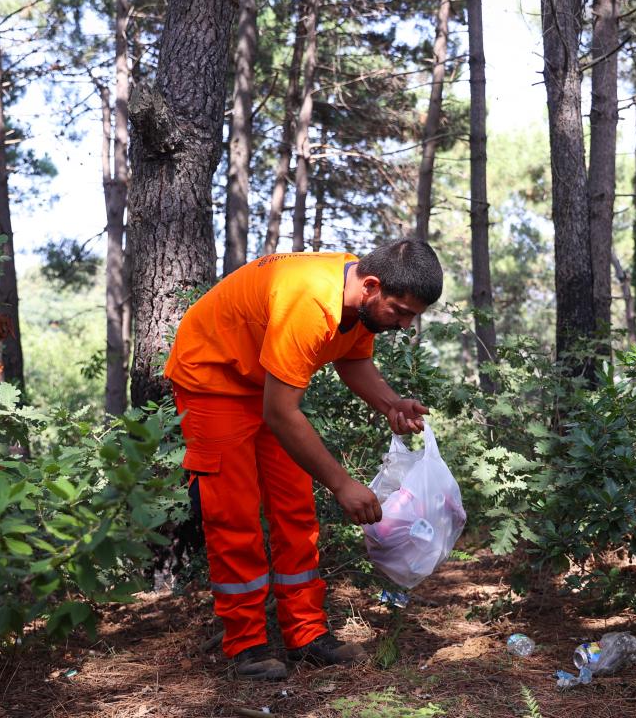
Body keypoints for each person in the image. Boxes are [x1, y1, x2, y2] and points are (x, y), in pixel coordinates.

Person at [163, 238, 443, 680]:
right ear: (371, 285)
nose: (405, 325)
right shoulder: (310, 303)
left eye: (412, 316)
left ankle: (306, 634)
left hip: (269, 384)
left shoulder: (359, 300)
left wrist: (391, 403)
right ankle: (247, 645)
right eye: (401, 312)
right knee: (234, 515)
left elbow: (352, 361)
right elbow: (281, 413)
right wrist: (342, 484)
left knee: (295, 508)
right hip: (213, 378)